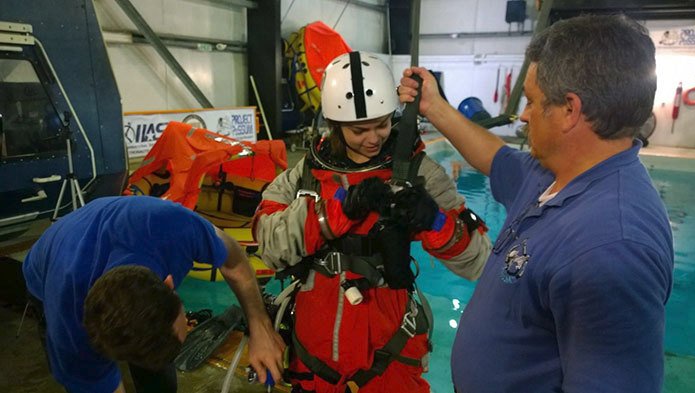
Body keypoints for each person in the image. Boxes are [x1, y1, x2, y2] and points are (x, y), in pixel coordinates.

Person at [398, 14, 674, 393]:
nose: (523, 116)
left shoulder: (612, 246)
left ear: (570, 110)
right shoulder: (553, 174)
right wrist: (434, 106)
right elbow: (495, 157)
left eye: (531, 101)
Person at [253, 51, 491, 393]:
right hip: (315, 353)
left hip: (390, 350)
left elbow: (480, 261)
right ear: (334, 125)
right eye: (358, 130)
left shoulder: (419, 172)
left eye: (381, 124)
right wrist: (338, 210)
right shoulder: (306, 174)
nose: (374, 138)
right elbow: (268, 244)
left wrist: (434, 221)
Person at [22, 196, 285, 393]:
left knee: (158, 376)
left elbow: (234, 261)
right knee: (89, 377)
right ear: (170, 282)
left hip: (126, 224)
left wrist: (259, 325)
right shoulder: (69, 327)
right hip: (48, 264)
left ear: (168, 283)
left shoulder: (173, 227)